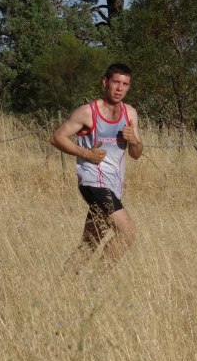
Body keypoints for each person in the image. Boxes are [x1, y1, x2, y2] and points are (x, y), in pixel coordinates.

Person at [50, 63, 143, 272]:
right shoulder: (87, 112)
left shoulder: (130, 113)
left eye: (125, 84)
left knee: (90, 242)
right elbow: (56, 138)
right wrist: (86, 154)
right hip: (94, 183)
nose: (120, 88)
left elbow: (136, 154)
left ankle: (63, 284)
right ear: (105, 82)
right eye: (116, 82)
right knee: (127, 232)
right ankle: (98, 282)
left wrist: (134, 141)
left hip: (114, 186)